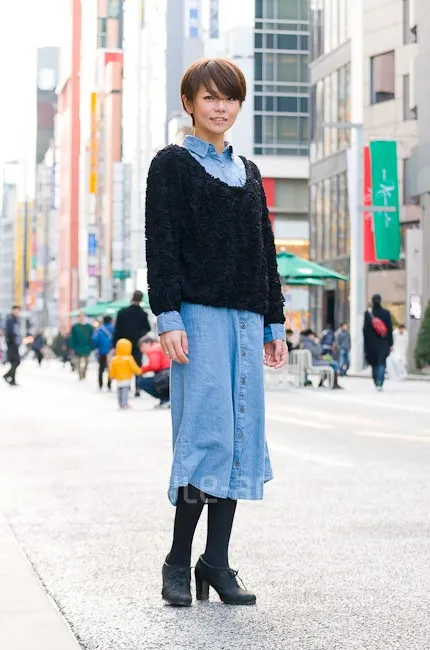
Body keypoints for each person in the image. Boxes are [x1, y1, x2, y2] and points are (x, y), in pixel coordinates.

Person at [146, 57, 287, 607]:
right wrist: (169, 317)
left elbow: (264, 251)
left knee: (240, 436)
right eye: (209, 97)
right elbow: (161, 243)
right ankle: (178, 561)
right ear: (189, 104)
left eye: (228, 98)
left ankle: (218, 562)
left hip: (248, 320)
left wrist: (273, 320)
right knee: (205, 437)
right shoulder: (171, 165)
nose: (220, 107)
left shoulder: (248, 172)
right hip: (198, 318)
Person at [113, 290, 150, 397]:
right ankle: (137, 387)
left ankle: (126, 386)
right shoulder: (143, 314)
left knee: (124, 366)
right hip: (137, 344)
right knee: (137, 365)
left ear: (131, 298)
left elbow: (117, 330)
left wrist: (114, 345)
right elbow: (147, 328)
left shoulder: (122, 312)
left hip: (123, 345)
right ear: (141, 300)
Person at [363, 294, 393, 391]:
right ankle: (380, 382)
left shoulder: (368, 314)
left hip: (371, 344)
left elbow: (365, 331)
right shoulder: (386, 313)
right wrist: (390, 343)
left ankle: (376, 381)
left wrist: (365, 345)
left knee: (374, 363)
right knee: (382, 362)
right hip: (383, 342)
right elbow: (389, 329)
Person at [136, 336, 171, 408]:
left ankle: (165, 399)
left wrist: (142, 370)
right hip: (168, 375)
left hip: (165, 376)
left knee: (141, 381)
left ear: (146, 343)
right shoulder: (159, 346)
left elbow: (154, 366)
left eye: (141, 347)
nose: (141, 350)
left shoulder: (153, 350)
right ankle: (165, 399)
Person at [108, 338, 142, 409]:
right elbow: (134, 367)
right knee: (125, 391)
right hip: (126, 378)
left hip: (118, 378)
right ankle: (124, 403)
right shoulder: (129, 358)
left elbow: (112, 369)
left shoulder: (115, 359)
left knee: (119, 390)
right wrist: (140, 371)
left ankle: (120, 402)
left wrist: (111, 376)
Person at [92, 315, 114, 390]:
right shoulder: (113, 329)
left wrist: (98, 346)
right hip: (110, 351)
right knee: (110, 368)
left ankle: (100, 384)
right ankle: (109, 384)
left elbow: (95, 339)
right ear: (111, 321)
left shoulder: (100, 329)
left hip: (101, 351)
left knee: (101, 368)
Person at [69, 312, 93, 380]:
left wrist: (91, 346)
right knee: (78, 362)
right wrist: (72, 347)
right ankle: (80, 375)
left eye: (83, 316)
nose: (81, 318)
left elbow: (91, 336)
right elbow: (72, 337)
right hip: (78, 347)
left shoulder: (89, 326)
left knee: (86, 362)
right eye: (80, 316)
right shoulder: (75, 327)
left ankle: (84, 374)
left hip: (87, 347)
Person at [3, 305, 22, 386]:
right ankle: (7, 375)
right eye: (16, 311)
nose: (17, 312)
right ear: (13, 311)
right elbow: (10, 332)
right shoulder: (11, 320)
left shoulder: (15, 320)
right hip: (12, 344)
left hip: (14, 343)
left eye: (18, 311)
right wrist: (13, 341)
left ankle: (12, 380)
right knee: (16, 361)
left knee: (14, 362)